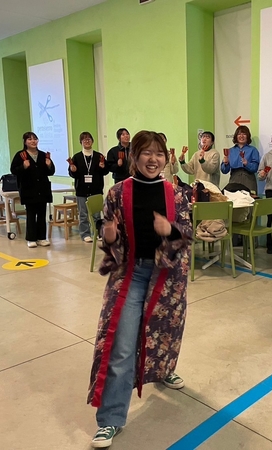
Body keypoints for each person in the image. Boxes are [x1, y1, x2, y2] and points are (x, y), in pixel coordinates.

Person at [87, 130, 192, 448]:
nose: (153, 159)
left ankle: (163, 370)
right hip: (130, 274)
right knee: (121, 345)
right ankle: (110, 419)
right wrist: (109, 236)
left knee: (164, 332)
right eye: (146, 152)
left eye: (159, 153)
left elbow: (187, 232)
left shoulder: (175, 192)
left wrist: (171, 229)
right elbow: (110, 235)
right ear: (134, 156)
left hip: (165, 277)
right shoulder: (118, 193)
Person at [10, 131, 55, 248]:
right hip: (28, 190)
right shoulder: (20, 155)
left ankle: (42, 238)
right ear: (25, 142)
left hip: (42, 189)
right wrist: (23, 167)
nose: (33, 141)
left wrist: (49, 165)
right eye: (30, 139)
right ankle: (31, 238)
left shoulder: (43, 155)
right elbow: (13, 170)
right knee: (31, 214)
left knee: (42, 214)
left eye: (35, 139)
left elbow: (51, 172)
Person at [68, 132, 110, 242]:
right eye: (84, 140)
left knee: (97, 214)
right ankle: (85, 234)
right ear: (81, 142)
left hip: (96, 190)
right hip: (81, 190)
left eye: (89, 139)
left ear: (92, 141)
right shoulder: (77, 157)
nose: (87, 141)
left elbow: (106, 171)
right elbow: (73, 174)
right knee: (83, 214)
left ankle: (98, 233)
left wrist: (102, 167)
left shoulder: (99, 156)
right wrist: (73, 170)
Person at [220, 125, 260, 194]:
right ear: (236, 136)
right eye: (239, 134)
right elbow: (224, 171)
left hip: (249, 179)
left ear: (247, 136)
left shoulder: (253, 150)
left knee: (249, 199)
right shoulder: (230, 151)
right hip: (234, 179)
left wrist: (247, 164)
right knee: (234, 199)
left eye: (244, 134)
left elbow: (255, 168)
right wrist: (225, 164)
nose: (241, 136)